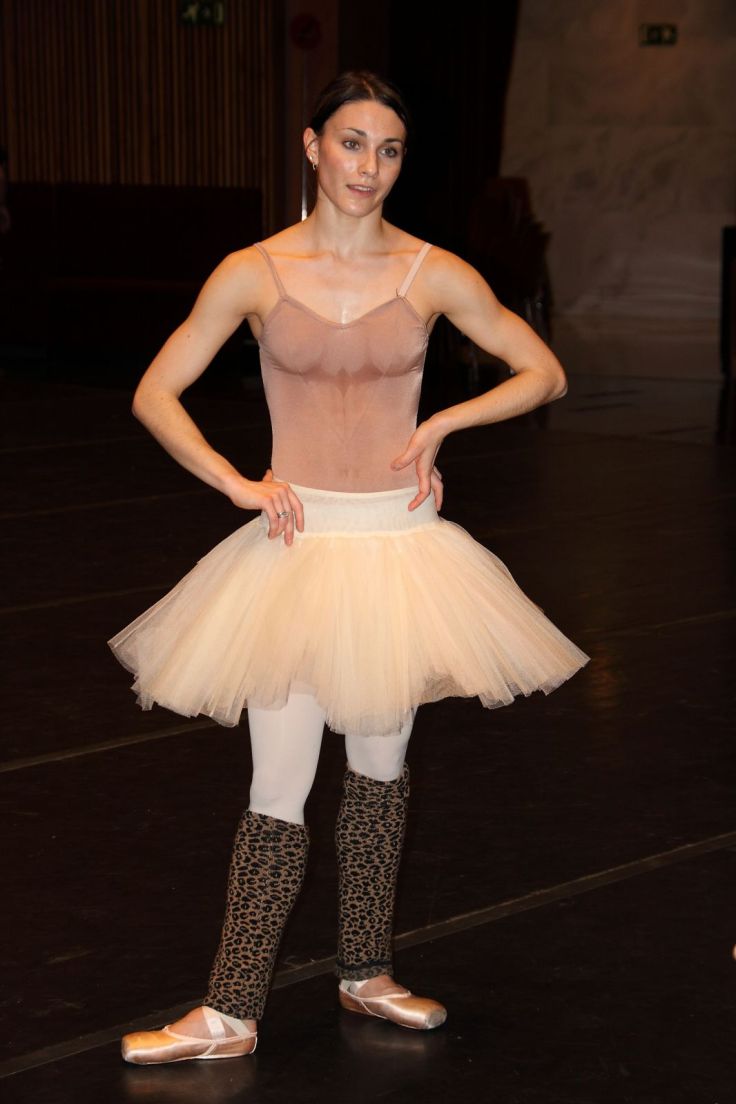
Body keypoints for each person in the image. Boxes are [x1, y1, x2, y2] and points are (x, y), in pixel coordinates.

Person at [110, 70, 590, 1065]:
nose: (369, 166)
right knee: (277, 786)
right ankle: (231, 1011)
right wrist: (235, 482)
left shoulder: (432, 272)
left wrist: (442, 424)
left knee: (379, 772)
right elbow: (156, 392)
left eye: (390, 149)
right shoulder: (252, 271)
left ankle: (366, 972)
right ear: (312, 145)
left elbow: (543, 372)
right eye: (353, 142)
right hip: (293, 549)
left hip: (395, 549)